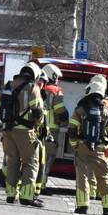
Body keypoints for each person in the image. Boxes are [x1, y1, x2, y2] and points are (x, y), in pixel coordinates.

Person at [0, 63, 45, 207]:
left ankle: (10, 195)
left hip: (8, 130)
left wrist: (4, 120)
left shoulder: (8, 85)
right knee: (30, 162)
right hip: (25, 132)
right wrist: (37, 125)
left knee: (12, 162)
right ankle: (27, 196)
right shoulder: (32, 88)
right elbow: (37, 111)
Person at [69, 80, 108, 215]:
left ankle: (82, 206)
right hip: (101, 150)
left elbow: (72, 129)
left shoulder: (80, 109)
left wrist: (75, 145)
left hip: (83, 147)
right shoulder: (107, 112)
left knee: (82, 177)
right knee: (103, 177)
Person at [36, 63, 69, 195]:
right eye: (57, 77)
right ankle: (41, 185)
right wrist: (67, 121)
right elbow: (60, 110)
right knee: (47, 158)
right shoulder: (55, 91)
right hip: (51, 131)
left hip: (35, 128)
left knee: (34, 158)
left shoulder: (37, 87)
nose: (58, 80)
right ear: (52, 75)